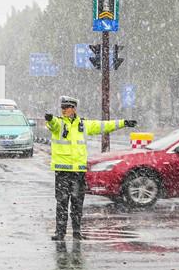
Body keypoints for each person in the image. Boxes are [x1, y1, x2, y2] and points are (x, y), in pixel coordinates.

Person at [45, 96, 136, 241]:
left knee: (77, 203)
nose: (63, 110)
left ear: (73, 109)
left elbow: (104, 126)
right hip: (62, 171)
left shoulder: (84, 125)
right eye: (62, 108)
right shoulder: (59, 123)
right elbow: (52, 125)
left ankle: (76, 232)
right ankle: (60, 233)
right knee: (61, 203)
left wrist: (123, 123)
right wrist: (49, 119)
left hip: (78, 172)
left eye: (66, 107)